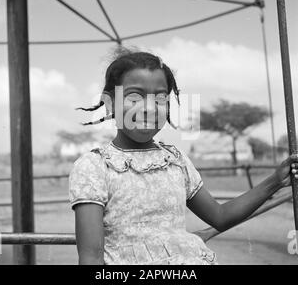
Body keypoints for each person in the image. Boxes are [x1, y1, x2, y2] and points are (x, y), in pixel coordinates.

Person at [69, 49, 298, 265]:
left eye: (160, 99)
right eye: (135, 97)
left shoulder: (175, 160)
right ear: (109, 103)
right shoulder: (95, 167)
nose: (150, 108)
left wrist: (275, 181)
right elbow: (91, 258)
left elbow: (220, 216)